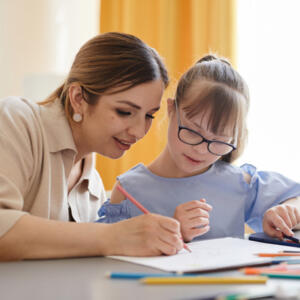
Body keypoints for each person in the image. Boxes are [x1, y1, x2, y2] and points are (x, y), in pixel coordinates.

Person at [0, 32, 185, 261]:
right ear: (78, 98)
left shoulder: (93, 189)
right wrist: (114, 237)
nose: (139, 132)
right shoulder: (15, 121)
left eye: (149, 115)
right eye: (124, 112)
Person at [97, 54, 300, 243]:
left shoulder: (240, 183)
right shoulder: (129, 190)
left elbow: (295, 199)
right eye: (193, 132)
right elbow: (109, 255)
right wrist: (173, 234)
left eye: (219, 140)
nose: (202, 150)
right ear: (171, 110)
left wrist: (288, 212)